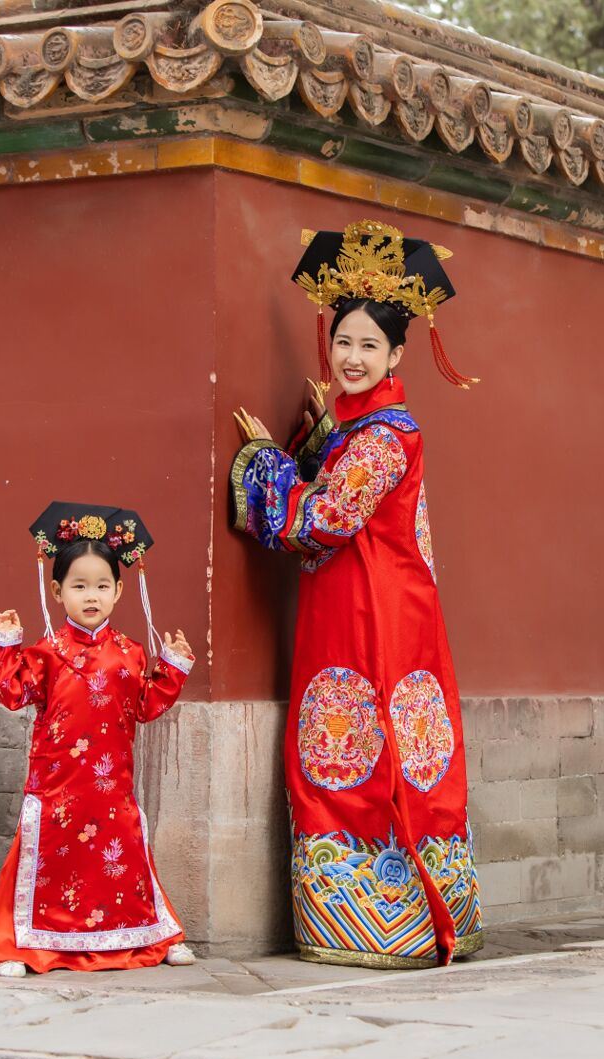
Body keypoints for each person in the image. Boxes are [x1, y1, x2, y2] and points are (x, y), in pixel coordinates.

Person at [228, 219, 483, 969]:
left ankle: (377, 923)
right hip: (381, 606)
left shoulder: (382, 437)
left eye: (370, 345)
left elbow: (324, 519)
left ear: (398, 354)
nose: (353, 357)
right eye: (343, 341)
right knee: (379, 745)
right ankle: (404, 918)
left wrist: (266, 465)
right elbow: (338, 480)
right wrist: (314, 441)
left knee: (365, 746)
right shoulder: (360, 430)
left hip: (368, 613)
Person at [0, 502, 196, 976]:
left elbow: (145, 706)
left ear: (120, 590)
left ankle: (153, 936)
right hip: (58, 784)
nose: (91, 595)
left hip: (111, 785)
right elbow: (12, 692)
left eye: (102, 585)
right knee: (49, 863)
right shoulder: (46, 654)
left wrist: (173, 667)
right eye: (79, 586)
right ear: (58, 591)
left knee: (124, 858)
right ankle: (22, 944)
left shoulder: (132, 653)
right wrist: (6, 644)